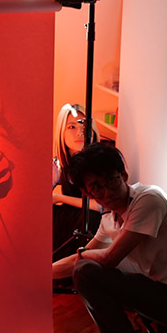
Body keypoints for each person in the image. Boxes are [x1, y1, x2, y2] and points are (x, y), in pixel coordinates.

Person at [52, 142, 167, 333]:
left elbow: (108, 258)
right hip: (159, 288)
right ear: (87, 193)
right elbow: (82, 257)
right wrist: (36, 274)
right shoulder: (110, 218)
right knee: (85, 268)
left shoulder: (148, 199)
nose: (107, 192)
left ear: (123, 175)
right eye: (96, 187)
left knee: (87, 270)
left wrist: (82, 255)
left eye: (111, 181)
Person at [52, 103, 102, 261]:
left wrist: (58, 198)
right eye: (71, 127)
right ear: (61, 131)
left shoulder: (101, 159)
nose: (80, 132)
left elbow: (100, 206)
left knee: (91, 218)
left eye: (84, 126)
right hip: (69, 217)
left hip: (92, 217)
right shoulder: (58, 165)